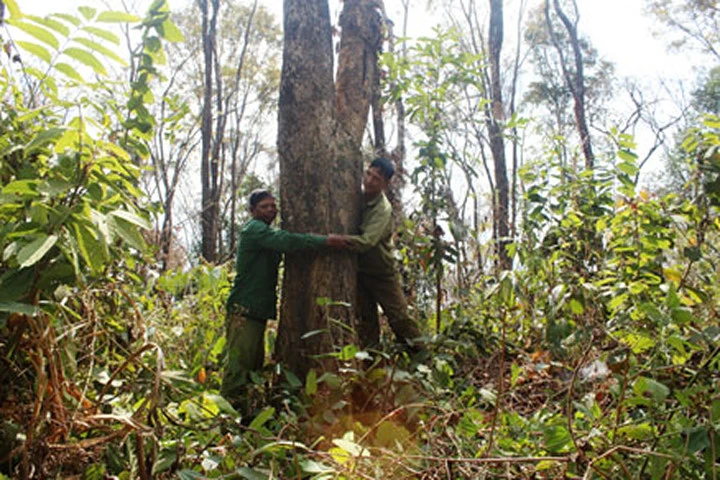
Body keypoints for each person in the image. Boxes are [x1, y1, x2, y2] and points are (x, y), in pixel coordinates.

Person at [221, 189, 346, 410]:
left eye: (272, 205)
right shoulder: (255, 230)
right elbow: (287, 241)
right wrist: (325, 241)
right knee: (238, 368)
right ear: (252, 211)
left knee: (252, 367)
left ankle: (243, 415)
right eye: (264, 207)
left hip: (256, 311)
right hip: (244, 310)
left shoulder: (264, 232)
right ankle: (225, 420)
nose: (271, 210)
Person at [344, 157, 424, 354]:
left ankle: (423, 359)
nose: (370, 180)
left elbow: (366, 242)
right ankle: (372, 369)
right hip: (359, 272)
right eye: (368, 174)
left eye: (376, 178)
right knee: (365, 321)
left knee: (399, 318)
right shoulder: (355, 199)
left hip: (382, 273)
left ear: (386, 184)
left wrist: (332, 240)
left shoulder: (383, 209)